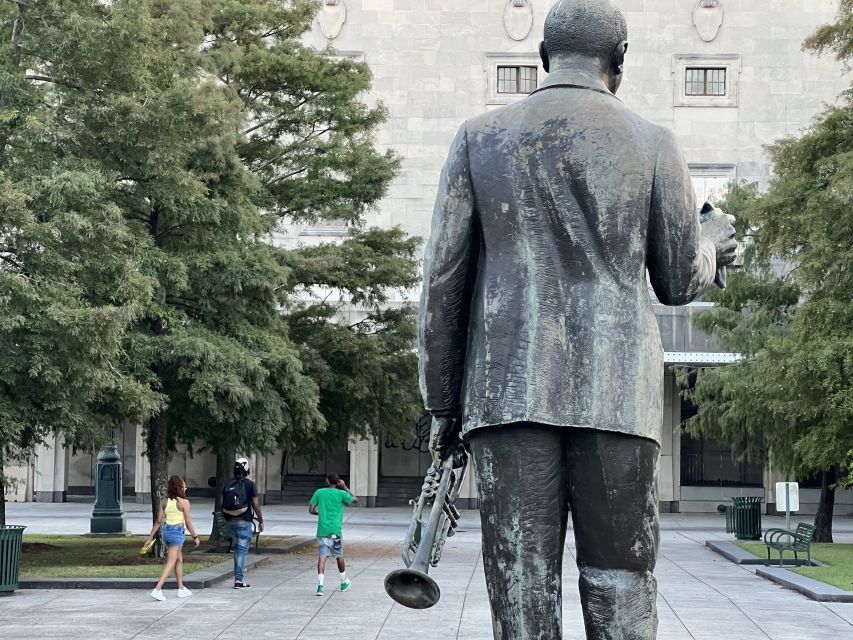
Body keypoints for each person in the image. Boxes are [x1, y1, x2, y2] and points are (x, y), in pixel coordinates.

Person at [419, 1, 738, 638]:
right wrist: (714, 244)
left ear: (543, 57)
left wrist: (443, 405)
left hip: (507, 396)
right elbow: (677, 281)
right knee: (622, 581)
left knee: (522, 586)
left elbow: (443, 283)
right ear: (619, 61)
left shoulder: (479, 137)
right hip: (618, 397)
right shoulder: (653, 142)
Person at [145, 475, 201, 601]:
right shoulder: (184, 502)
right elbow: (188, 522)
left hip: (166, 531)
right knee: (171, 562)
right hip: (177, 533)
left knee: (179, 559)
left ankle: (181, 588)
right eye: (184, 485)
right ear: (179, 487)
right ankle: (157, 589)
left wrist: (150, 537)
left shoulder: (164, 501)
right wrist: (195, 536)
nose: (186, 487)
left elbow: (158, 522)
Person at [308, 472, 359, 596]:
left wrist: (320, 514)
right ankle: (343, 581)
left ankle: (320, 586)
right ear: (338, 482)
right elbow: (356, 500)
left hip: (322, 531)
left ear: (327, 481)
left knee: (322, 556)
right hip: (335, 531)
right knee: (339, 556)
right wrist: (345, 487)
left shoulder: (319, 492)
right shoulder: (341, 494)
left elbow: (311, 509)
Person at [221, 457, 264, 589]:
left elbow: (222, 502)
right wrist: (261, 520)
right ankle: (238, 580)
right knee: (241, 551)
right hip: (244, 522)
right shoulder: (250, 484)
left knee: (237, 550)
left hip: (231, 522)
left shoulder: (228, 483)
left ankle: (238, 577)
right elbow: (256, 505)